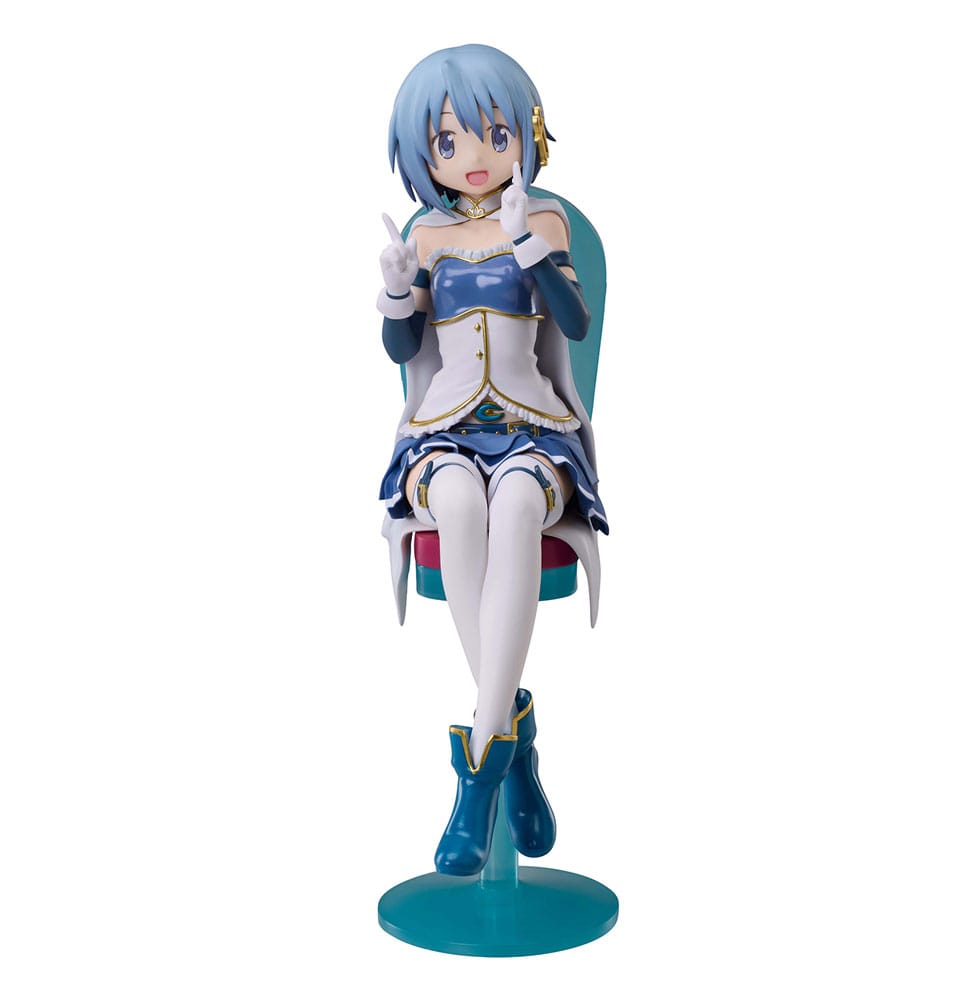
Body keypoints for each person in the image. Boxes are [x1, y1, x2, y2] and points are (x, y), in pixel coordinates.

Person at [377, 44, 607, 877]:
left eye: (494, 133)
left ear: (525, 135)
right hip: (441, 430)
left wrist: (527, 247)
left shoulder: (543, 222)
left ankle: (475, 774)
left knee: (512, 505)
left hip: (533, 427)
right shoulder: (427, 235)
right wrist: (398, 288)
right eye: (448, 141)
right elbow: (403, 347)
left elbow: (573, 324)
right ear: (424, 153)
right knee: (457, 503)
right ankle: (511, 742)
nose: (473, 156)